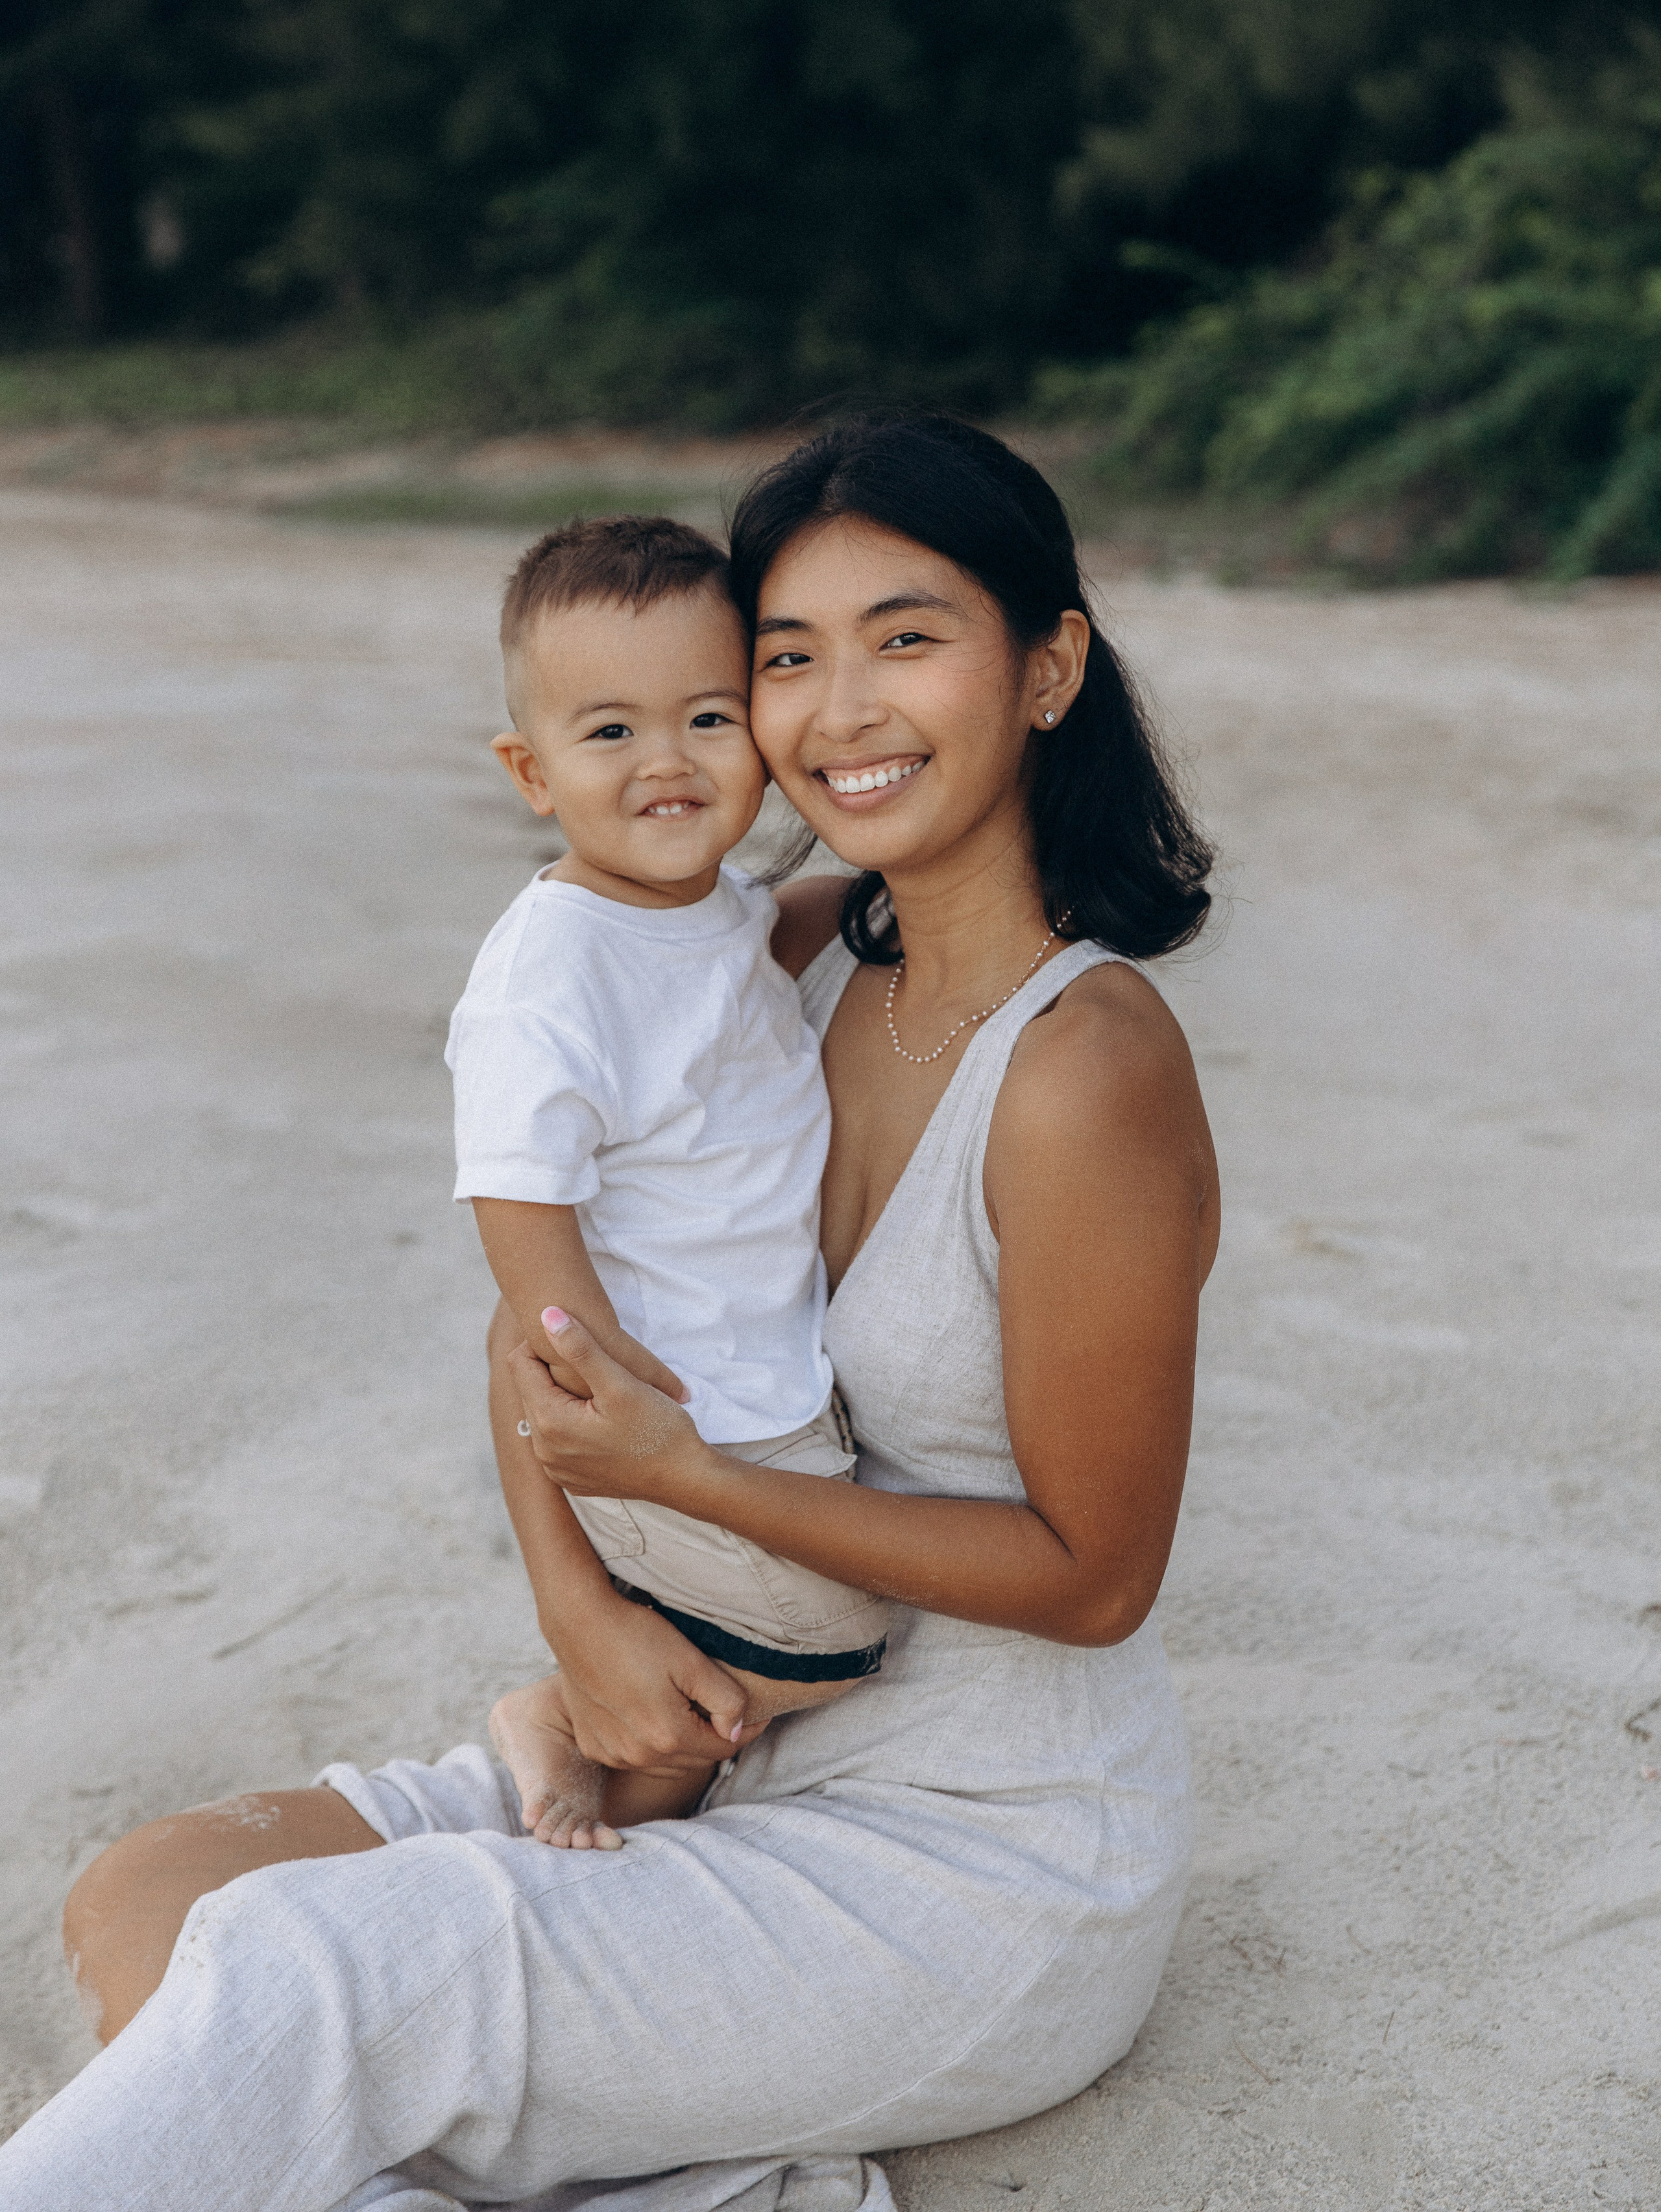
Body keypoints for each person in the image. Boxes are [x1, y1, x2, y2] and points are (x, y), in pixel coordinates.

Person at [3, 414, 1220, 2212]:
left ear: (1048, 665)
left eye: (909, 637)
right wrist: (579, 1615)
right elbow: (543, 1339)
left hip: (974, 1853)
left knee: (316, 1982)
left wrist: (699, 1485)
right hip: (709, 1726)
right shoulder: (770, 969)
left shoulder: (1087, 1068)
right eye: (786, 660)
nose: (839, 709)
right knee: (160, 1894)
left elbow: (1098, 1572)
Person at [454, 514, 889, 1850]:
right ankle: (583, 1772)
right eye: (609, 735)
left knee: (792, 1636)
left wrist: (899, 866)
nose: (666, 764)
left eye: (707, 718)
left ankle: (579, 1746)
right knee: (828, 1633)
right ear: (531, 770)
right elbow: (516, 1199)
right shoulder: (551, 971)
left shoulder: (708, 907)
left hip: (762, 1391)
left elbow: (774, 922)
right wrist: (593, 1384)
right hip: (666, 1408)